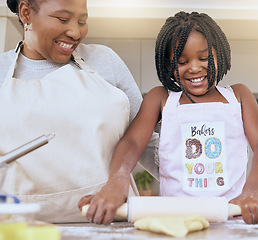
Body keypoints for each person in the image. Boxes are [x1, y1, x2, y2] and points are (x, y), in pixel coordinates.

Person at [79, 11, 258, 225]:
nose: (194, 67)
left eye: (204, 58)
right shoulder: (161, 98)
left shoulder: (239, 95)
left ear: (219, 55)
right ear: (168, 66)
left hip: (232, 216)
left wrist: (253, 192)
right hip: (175, 220)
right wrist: (116, 181)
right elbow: (132, 142)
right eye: (182, 62)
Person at [0, 0, 157, 223]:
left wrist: (204, 190)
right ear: (26, 13)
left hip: (111, 226)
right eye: (63, 19)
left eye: (82, 21)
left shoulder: (105, 61)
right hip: (21, 230)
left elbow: (147, 142)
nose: (75, 32)